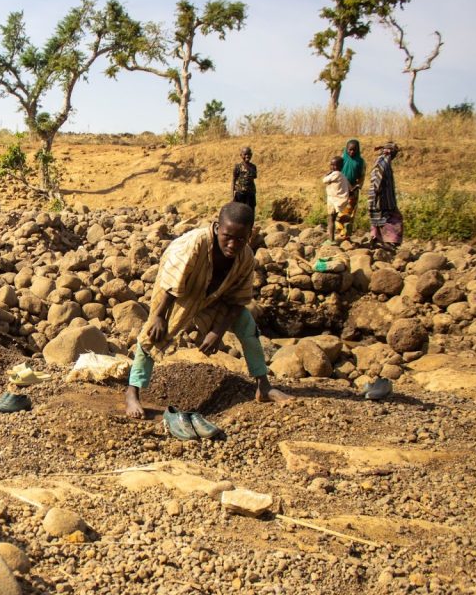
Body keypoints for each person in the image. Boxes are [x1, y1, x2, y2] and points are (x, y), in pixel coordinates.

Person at [123, 202, 291, 419]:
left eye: (241, 239)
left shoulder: (246, 257)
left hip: (214, 295)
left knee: (246, 324)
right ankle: (132, 390)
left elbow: (237, 300)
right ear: (216, 227)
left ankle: (264, 386)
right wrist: (158, 316)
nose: (232, 244)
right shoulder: (194, 244)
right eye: (227, 236)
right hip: (177, 291)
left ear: (250, 235)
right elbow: (172, 281)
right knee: (154, 334)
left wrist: (217, 331)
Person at [368, 142, 403, 250]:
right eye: (394, 154)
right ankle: (389, 241)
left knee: (379, 218)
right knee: (393, 218)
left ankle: (377, 240)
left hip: (378, 197)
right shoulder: (384, 162)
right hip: (382, 197)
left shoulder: (381, 160)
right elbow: (379, 177)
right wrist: (378, 191)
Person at [323, 155, 352, 242]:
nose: (333, 167)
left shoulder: (335, 174)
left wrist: (327, 174)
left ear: (340, 167)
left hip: (333, 201)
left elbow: (324, 180)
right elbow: (350, 187)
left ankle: (331, 240)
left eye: (335, 165)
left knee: (330, 219)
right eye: (331, 165)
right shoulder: (343, 176)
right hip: (338, 201)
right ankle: (344, 222)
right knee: (334, 218)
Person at [340, 139, 366, 235]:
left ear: (358, 150)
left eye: (354, 150)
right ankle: (339, 233)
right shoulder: (341, 159)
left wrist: (356, 187)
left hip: (353, 190)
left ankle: (346, 235)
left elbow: (361, 177)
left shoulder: (361, 162)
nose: (352, 152)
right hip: (341, 190)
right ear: (346, 149)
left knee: (350, 213)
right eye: (350, 150)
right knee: (340, 212)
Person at [231, 147, 257, 213]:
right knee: (239, 212)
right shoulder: (238, 167)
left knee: (250, 212)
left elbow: (253, 178)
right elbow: (233, 180)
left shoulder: (253, 167)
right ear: (241, 155)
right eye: (245, 154)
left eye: (249, 154)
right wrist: (232, 195)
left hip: (251, 194)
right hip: (240, 194)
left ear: (251, 155)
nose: (247, 156)